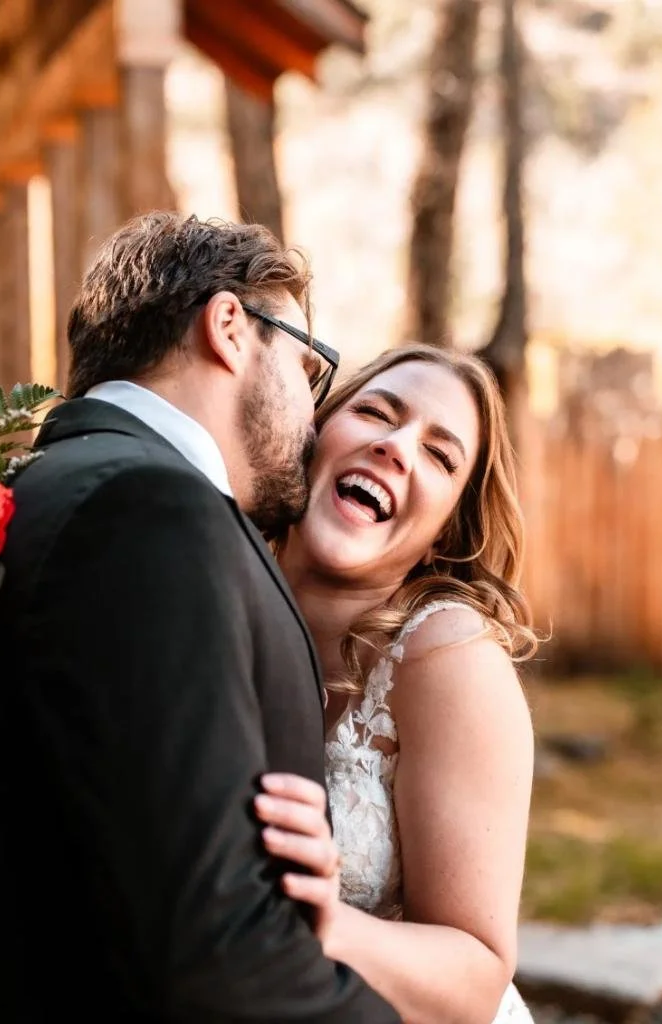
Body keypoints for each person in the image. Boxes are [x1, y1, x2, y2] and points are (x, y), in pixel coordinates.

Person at [0, 213, 398, 1023]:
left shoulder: (30, 497)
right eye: (306, 369)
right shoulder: (147, 511)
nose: (313, 419)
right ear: (229, 328)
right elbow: (213, 950)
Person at [254, 345, 538, 1022]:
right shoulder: (217, 590)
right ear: (310, 435)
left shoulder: (447, 656)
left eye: (440, 456)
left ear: (442, 533)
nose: (394, 446)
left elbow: (475, 978)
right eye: (377, 412)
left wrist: (325, 922)